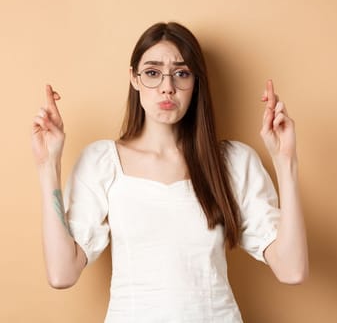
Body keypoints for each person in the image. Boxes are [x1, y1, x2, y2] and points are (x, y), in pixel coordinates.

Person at [31, 22, 308, 322]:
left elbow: (292, 269)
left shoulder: (231, 162)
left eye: (182, 73)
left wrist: (286, 162)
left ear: (196, 82)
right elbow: (62, 273)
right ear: (134, 79)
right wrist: (48, 166)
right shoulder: (103, 162)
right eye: (152, 73)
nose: (167, 86)